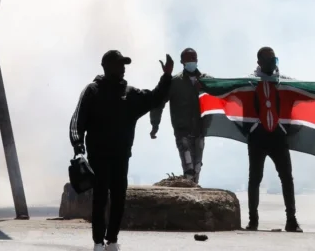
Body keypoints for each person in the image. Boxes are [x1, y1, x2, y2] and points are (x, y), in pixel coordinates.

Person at [69, 50, 174, 251]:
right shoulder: (92, 91)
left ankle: (112, 240)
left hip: (121, 156)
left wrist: (166, 76)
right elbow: (77, 122)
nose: (123, 69)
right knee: (100, 198)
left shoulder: (130, 94)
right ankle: (98, 242)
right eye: (119, 65)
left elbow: (155, 98)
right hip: (98, 156)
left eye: (124, 65)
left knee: (119, 198)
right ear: (106, 67)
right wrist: (78, 148)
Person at [245, 46, 302, 233]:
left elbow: (307, 89)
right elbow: (225, 89)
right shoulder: (250, 82)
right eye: (269, 60)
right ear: (259, 62)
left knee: (287, 178)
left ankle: (291, 220)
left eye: (274, 59)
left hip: (278, 136)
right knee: (255, 178)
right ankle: (253, 221)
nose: (272, 63)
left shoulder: (282, 82)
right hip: (257, 137)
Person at [149, 48, 212, 183]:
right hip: (182, 130)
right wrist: (155, 124)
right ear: (182, 61)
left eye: (193, 58)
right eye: (188, 59)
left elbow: (221, 95)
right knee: (188, 166)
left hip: (200, 130)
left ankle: (193, 191)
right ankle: (190, 188)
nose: (191, 61)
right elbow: (158, 101)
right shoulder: (175, 82)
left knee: (197, 167)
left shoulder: (206, 81)